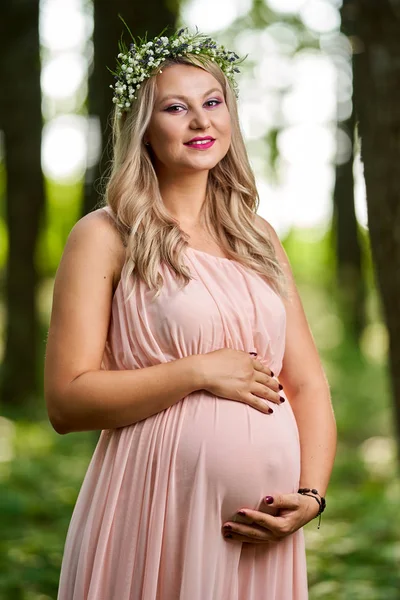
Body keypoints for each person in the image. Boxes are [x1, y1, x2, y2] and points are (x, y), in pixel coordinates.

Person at [44, 26, 337, 600]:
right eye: (176, 108)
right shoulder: (105, 235)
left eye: (213, 103)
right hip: (157, 511)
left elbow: (305, 382)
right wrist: (196, 372)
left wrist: (311, 496)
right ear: (144, 129)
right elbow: (66, 401)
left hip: (264, 538)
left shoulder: (260, 239)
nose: (202, 122)